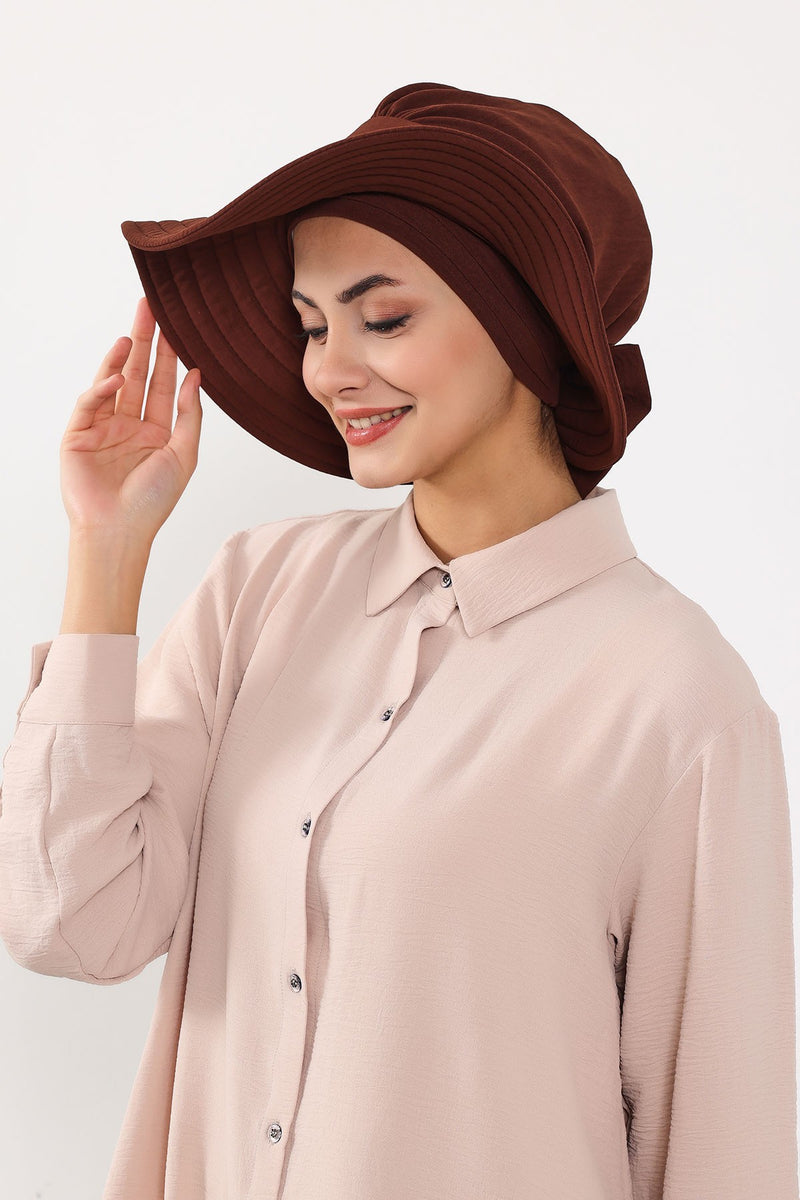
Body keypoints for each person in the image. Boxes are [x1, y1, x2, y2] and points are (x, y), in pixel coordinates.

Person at [0, 81, 796, 1200]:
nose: (329, 369)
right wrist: (105, 551)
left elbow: (724, 1146)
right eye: (312, 326)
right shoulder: (256, 593)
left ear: (526, 325)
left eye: (383, 320)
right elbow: (72, 922)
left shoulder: (676, 696)